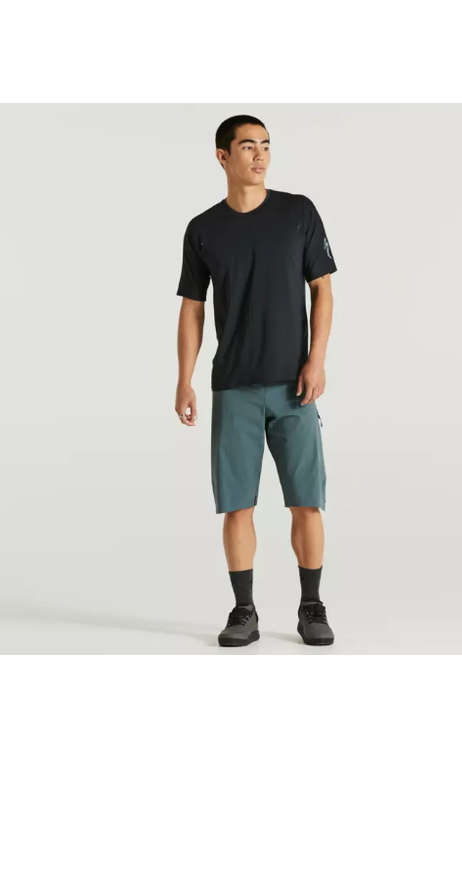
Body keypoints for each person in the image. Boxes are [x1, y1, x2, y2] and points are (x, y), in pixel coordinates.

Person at [175, 115, 338, 648]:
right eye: (248, 146)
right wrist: (184, 379)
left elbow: (322, 289)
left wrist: (316, 360)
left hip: (295, 385)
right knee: (236, 505)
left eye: (266, 145)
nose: (261, 155)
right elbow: (193, 309)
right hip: (234, 386)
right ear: (223, 156)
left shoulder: (298, 212)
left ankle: (311, 607)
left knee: (306, 502)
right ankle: (243, 611)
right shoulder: (203, 229)